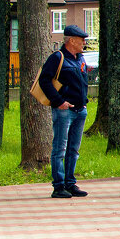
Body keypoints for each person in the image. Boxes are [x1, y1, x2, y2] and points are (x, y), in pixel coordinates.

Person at [41, 24, 92, 198]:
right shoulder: (58, 57)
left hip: (80, 110)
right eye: (81, 40)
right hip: (64, 110)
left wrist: (84, 103)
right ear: (71, 40)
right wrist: (59, 101)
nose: (84, 43)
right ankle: (58, 186)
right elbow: (44, 80)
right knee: (60, 148)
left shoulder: (80, 58)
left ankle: (70, 183)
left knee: (73, 149)